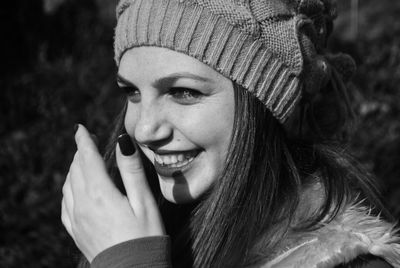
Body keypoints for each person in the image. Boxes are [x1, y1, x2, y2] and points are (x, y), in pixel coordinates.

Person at [61, 0, 400, 267]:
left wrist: (130, 261)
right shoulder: (162, 233)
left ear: (264, 104)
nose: (145, 129)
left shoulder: (350, 262)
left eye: (184, 92)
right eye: (132, 92)